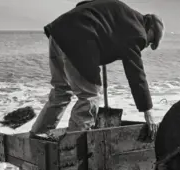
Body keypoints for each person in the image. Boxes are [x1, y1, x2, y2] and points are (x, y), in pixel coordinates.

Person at [29, 0, 164, 140]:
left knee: (61, 90)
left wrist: (101, 39)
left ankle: (38, 133)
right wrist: (147, 110)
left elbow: (83, 4)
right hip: (78, 39)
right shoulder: (137, 31)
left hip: (58, 33)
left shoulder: (124, 16)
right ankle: (72, 146)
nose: (146, 45)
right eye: (151, 41)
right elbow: (136, 74)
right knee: (89, 96)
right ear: (150, 29)